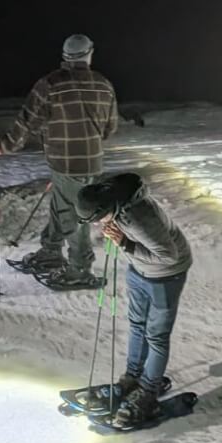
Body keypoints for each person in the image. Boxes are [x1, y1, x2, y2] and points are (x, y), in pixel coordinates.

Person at [0, 34, 119, 289]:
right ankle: (51, 252)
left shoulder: (50, 84)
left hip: (65, 162)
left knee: (74, 216)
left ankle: (80, 269)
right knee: (61, 208)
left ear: (65, 56)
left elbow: (26, 122)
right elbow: (110, 129)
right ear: (89, 54)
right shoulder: (104, 85)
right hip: (90, 162)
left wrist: (2, 146)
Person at [75, 171, 193, 426]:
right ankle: (132, 377)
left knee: (156, 335)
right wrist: (122, 239)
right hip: (139, 269)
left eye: (97, 219)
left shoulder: (138, 218)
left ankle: (149, 390)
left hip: (165, 275)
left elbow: (168, 256)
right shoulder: (116, 205)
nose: (96, 225)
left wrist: (125, 243)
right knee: (137, 324)